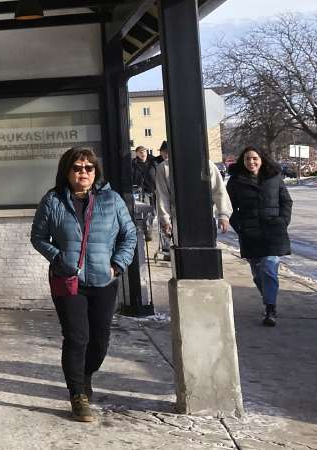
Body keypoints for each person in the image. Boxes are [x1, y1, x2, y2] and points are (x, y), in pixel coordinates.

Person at [30, 147, 137, 423]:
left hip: (104, 280)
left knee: (99, 341)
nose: (83, 173)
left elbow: (130, 235)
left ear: (95, 171)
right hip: (68, 280)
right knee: (77, 337)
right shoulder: (52, 200)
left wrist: (117, 265)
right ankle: (77, 393)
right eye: (77, 168)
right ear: (67, 171)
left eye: (89, 168)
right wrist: (59, 258)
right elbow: (38, 237)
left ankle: (85, 376)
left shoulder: (111, 200)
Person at [225, 147, 292, 327]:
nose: (251, 162)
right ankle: (269, 299)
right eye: (247, 159)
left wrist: (282, 221)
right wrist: (240, 227)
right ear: (242, 161)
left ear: (262, 159)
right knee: (257, 275)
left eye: (254, 158)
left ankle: (270, 308)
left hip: (273, 232)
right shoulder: (235, 181)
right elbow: (229, 207)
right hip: (250, 233)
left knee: (269, 267)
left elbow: (286, 201)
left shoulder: (274, 177)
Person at [153, 141, 231, 261]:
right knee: (185, 258)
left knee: (207, 256)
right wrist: (165, 219)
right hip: (179, 219)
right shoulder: (164, 168)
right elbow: (163, 195)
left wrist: (223, 214)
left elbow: (219, 190)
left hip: (205, 217)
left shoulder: (207, 165)